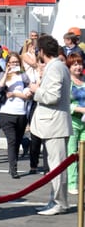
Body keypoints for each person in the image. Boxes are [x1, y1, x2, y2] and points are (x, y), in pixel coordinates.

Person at [29, 35, 72, 216]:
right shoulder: (56, 66)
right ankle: (54, 200)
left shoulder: (55, 67)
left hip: (55, 124)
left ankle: (60, 203)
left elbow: (52, 97)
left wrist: (36, 90)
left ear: (42, 51)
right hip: (53, 124)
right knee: (55, 165)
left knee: (57, 167)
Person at [0, 52, 32, 179]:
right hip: (6, 112)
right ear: (8, 63)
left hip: (21, 113)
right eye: (12, 62)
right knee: (11, 140)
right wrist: (7, 72)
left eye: (17, 62)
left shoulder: (23, 76)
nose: (14, 65)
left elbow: (29, 93)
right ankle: (14, 169)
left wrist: (16, 94)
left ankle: (12, 164)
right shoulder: (3, 75)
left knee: (17, 141)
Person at [66, 52, 85, 195]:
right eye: (75, 64)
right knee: (72, 154)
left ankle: (82, 181)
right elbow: (65, 104)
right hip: (73, 122)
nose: (78, 67)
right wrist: (80, 109)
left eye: (80, 63)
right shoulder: (67, 83)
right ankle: (72, 183)